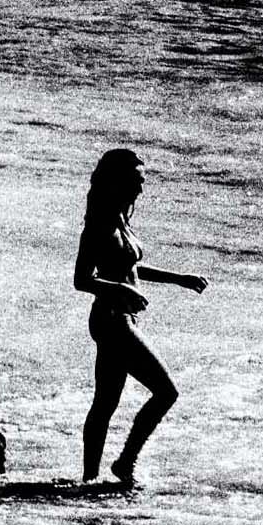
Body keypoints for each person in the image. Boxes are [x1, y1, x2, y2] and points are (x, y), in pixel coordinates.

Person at [74, 147, 206, 488]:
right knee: (166, 392)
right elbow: (81, 279)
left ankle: (89, 479)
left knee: (104, 404)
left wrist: (179, 279)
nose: (141, 189)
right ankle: (125, 463)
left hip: (122, 319)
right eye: (135, 181)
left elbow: (130, 267)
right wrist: (120, 289)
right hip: (111, 319)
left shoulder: (120, 220)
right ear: (114, 182)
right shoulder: (99, 224)